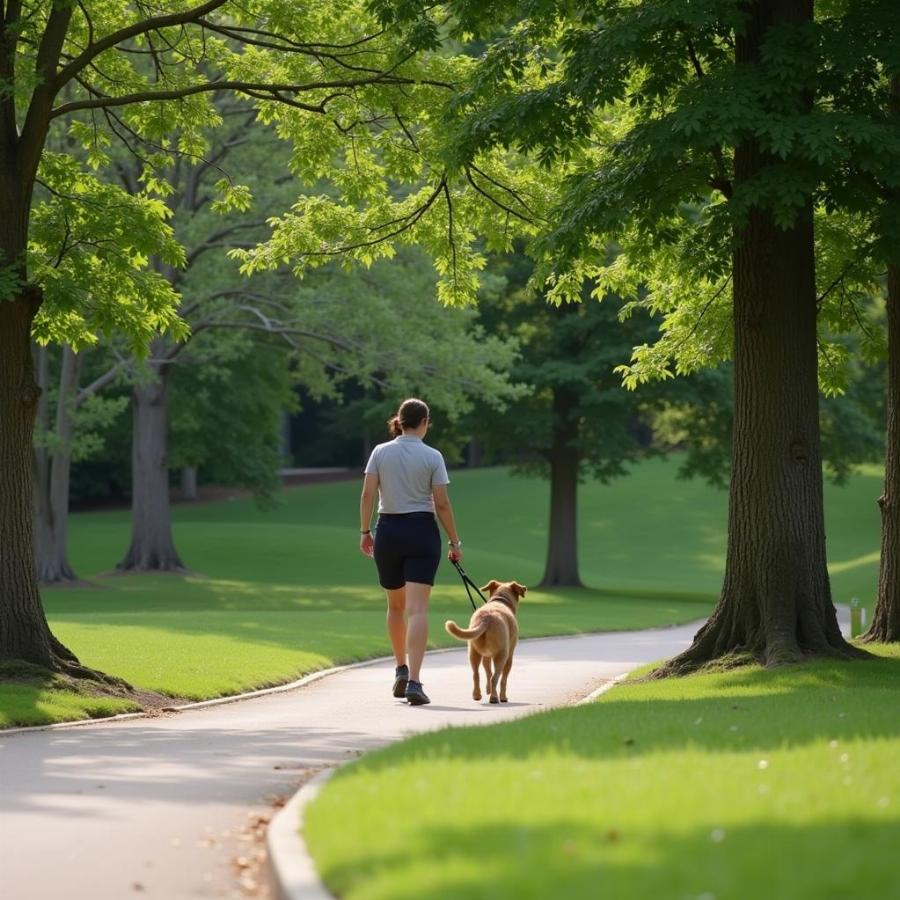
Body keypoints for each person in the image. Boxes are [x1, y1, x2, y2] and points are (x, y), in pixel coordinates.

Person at [359, 398, 462, 706]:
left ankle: (400, 668)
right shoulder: (433, 456)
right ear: (425, 422)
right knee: (418, 610)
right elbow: (441, 503)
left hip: (389, 531)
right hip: (421, 532)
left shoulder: (380, 452)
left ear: (400, 421)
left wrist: (365, 531)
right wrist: (455, 542)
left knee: (395, 606)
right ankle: (415, 682)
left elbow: (367, 493)